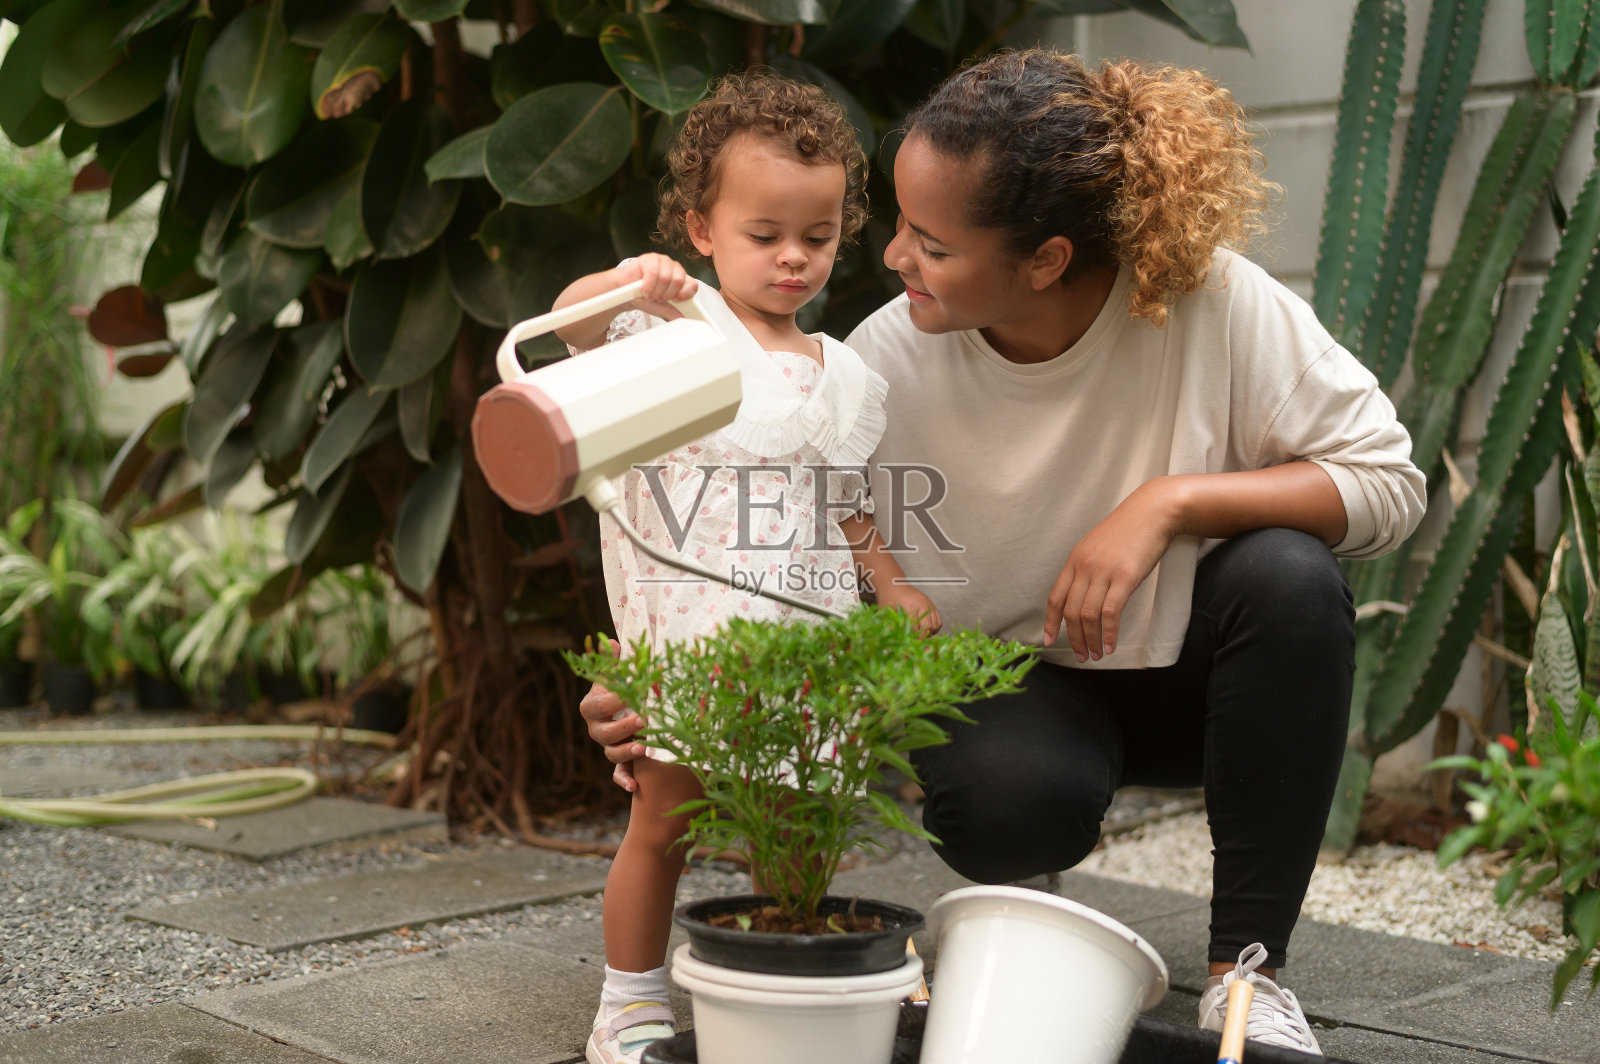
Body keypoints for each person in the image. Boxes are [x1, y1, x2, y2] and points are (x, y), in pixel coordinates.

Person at [580, 49, 1427, 1056]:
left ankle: (1245, 974)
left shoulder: (1214, 305)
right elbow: (797, 542)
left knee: (1289, 572)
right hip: (1010, 689)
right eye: (895, 225)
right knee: (1007, 798)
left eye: (930, 243)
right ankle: (1018, 908)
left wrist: (1170, 503)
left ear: (1045, 260)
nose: (890, 259)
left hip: (1191, 683)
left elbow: (1388, 485)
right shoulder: (884, 360)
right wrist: (667, 675)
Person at [552, 70, 937, 1064]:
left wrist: (892, 585)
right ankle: (627, 1002)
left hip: (799, 636)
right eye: (763, 235)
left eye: (814, 236)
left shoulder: (843, 371)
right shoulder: (674, 333)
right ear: (702, 228)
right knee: (665, 817)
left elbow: (845, 503)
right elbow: (568, 328)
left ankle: (776, 983)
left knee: (798, 826)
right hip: (688, 636)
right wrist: (627, 285)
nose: (791, 257)